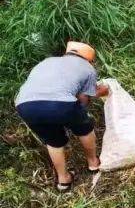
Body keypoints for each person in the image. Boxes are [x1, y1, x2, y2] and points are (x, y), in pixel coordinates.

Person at [15, 41, 109, 191]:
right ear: (89, 59)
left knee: (53, 141)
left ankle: (63, 180)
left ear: (67, 53)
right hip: (60, 103)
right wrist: (99, 94)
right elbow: (83, 100)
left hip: (25, 105)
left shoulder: (47, 61)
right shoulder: (88, 68)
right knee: (84, 128)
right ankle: (93, 163)